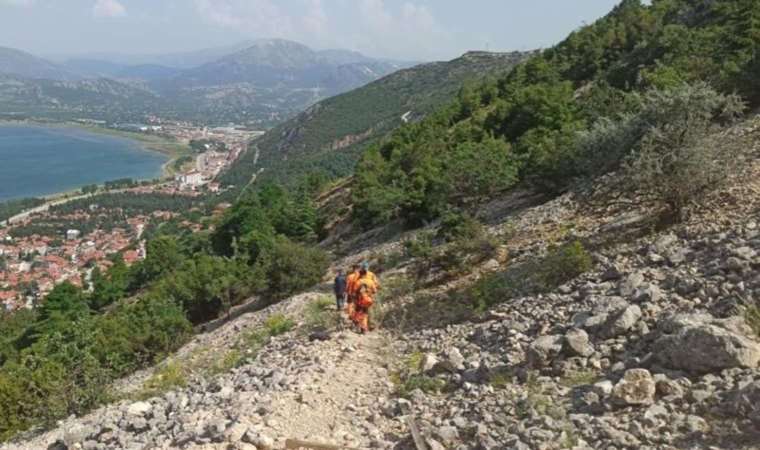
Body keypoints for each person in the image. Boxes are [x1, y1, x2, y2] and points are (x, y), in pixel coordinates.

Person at [351, 261, 380, 333]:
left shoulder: (358, 275)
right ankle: (370, 325)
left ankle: (360, 325)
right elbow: (376, 285)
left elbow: (353, 285)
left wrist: (353, 296)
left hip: (359, 297)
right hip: (369, 297)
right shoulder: (372, 275)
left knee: (359, 311)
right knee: (369, 311)